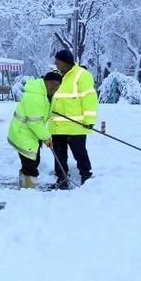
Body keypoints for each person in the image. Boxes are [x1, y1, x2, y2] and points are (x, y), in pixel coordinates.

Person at [49, 49, 99, 187]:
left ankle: (86, 177)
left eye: (57, 61)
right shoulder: (56, 75)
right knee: (59, 157)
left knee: (80, 154)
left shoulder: (82, 75)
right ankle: (62, 179)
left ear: (65, 63)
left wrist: (89, 121)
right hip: (57, 126)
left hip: (76, 126)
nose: (55, 64)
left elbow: (89, 98)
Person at [8, 71, 62, 189]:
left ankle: (24, 188)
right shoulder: (36, 95)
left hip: (30, 133)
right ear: (45, 82)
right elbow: (34, 121)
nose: (54, 87)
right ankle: (28, 191)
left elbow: (42, 112)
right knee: (31, 164)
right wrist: (47, 137)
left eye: (57, 85)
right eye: (51, 83)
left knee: (31, 162)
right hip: (23, 132)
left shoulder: (46, 94)